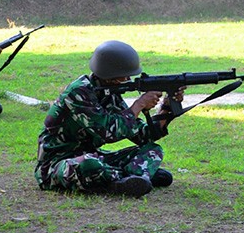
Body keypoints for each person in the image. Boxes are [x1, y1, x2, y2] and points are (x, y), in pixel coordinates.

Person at [34, 40, 185, 197]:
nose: (128, 79)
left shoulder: (110, 94)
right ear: (109, 74)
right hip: (57, 165)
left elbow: (144, 136)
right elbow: (107, 132)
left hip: (93, 155)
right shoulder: (79, 93)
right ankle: (134, 176)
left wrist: (167, 107)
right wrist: (138, 105)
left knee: (153, 150)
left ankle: (130, 179)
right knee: (90, 166)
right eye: (124, 75)